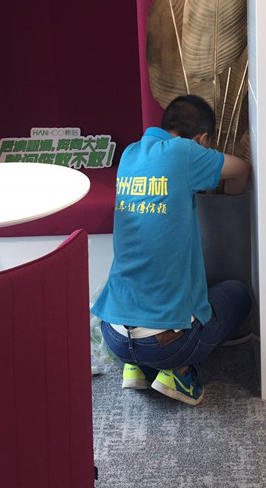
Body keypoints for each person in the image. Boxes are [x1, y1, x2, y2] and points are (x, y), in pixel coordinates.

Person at [91, 94, 252, 406]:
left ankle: (135, 367)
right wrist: (229, 200)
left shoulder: (130, 153)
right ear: (201, 139)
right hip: (167, 344)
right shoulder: (185, 152)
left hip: (114, 335)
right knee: (236, 294)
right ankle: (178, 371)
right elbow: (240, 169)